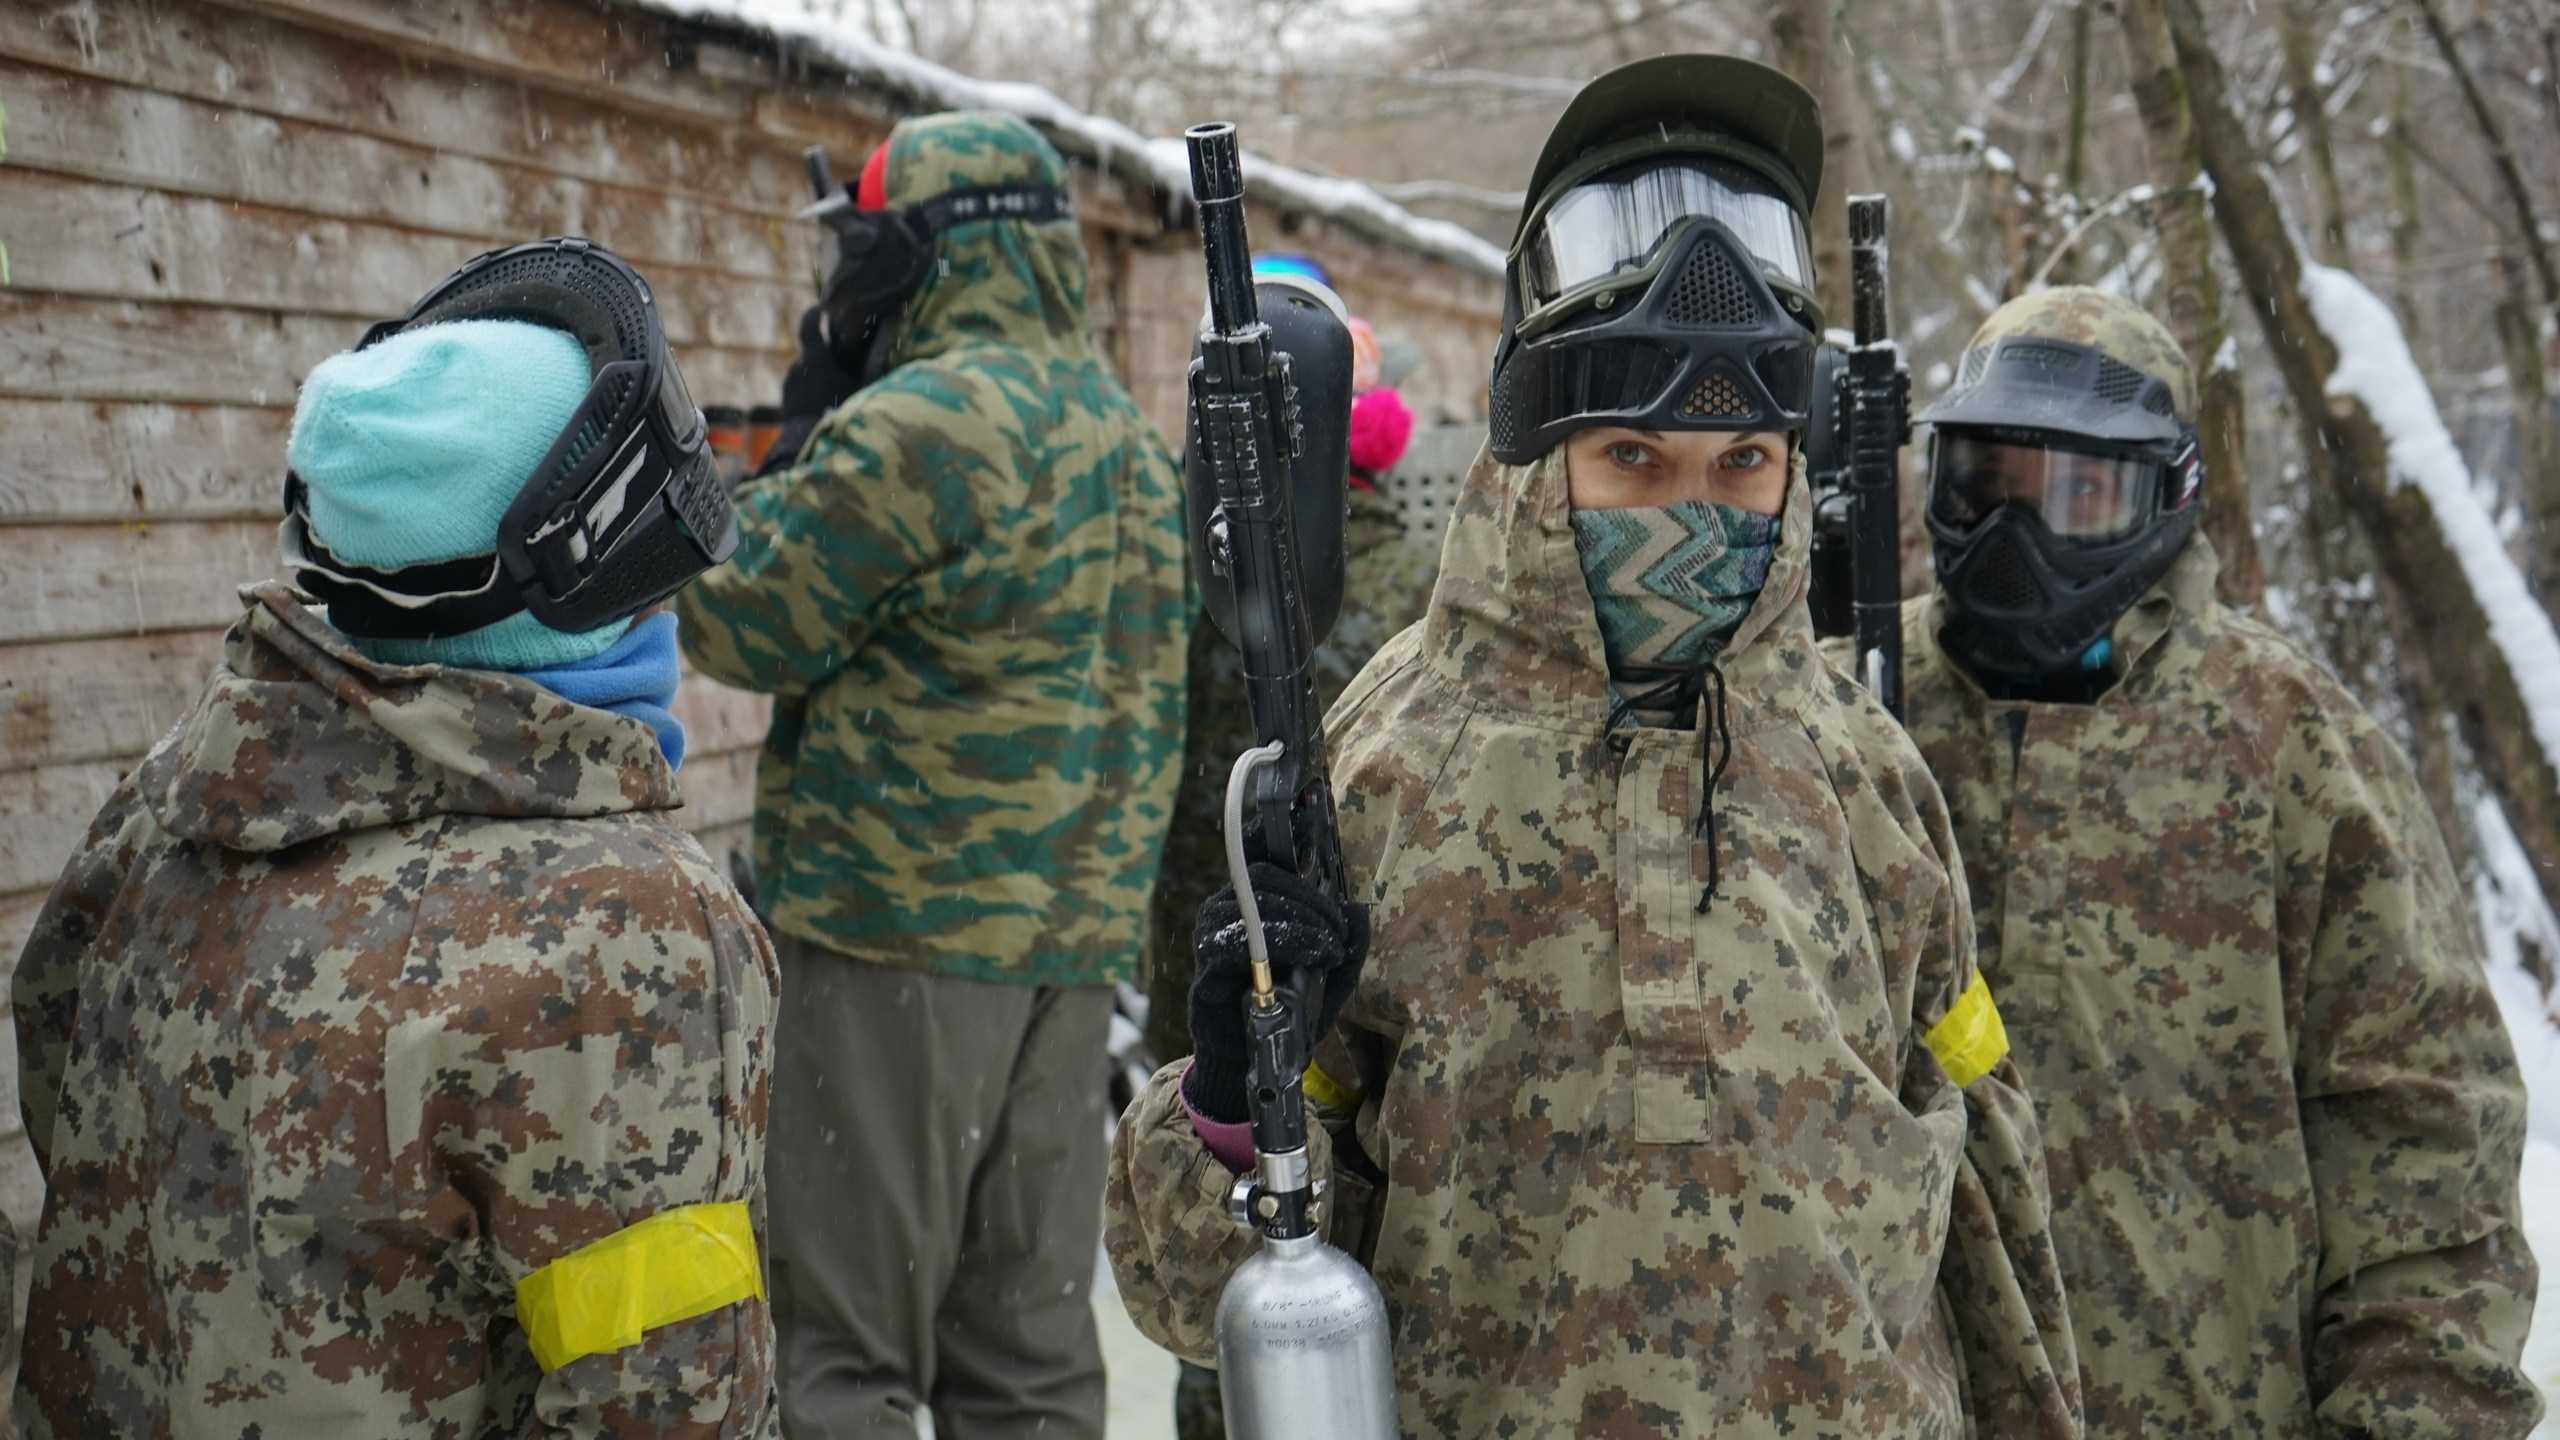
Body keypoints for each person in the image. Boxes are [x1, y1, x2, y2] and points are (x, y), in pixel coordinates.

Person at [1106, 55, 2081, 1437]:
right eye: (1633, 458)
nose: (1695, 510)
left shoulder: (1866, 772)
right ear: (1534, 447)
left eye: (1742, 463)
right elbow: (1212, 1295)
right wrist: (1222, 1093)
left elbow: (1986, 1198)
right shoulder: (1386, 772)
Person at [14, 238, 780, 1437]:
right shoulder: (634, 928)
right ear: (583, 579)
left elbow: (66, 1100)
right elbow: (664, 1405)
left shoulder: (175, 798)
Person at [1882, 286, 2543, 1435]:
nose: (2019, 536)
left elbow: (2424, 1149)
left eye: (2080, 492)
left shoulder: (2286, 741)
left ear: (2167, 497)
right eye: (1989, 483)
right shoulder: (1853, 717)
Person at [676, 112, 1189, 1439]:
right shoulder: (1126, 441)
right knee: (1023, 1360)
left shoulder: (919, 426)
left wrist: (790, 451)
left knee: (841, 1358)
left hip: (891, 947)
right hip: (1069, 962)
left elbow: (739, 620)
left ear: (919, 254)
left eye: (860, 248)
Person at [1134, 268, 1438, 1438]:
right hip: (1303, 994)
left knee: (1223, 1256)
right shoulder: (1410, 568)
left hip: (1239, 975)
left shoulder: (1202, 572)